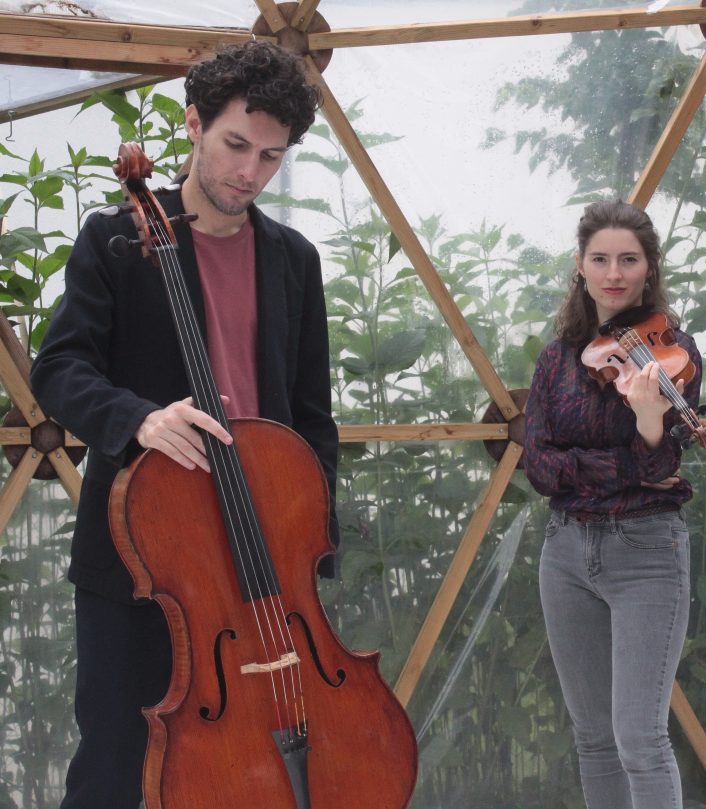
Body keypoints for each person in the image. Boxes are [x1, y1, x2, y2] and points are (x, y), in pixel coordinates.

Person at [30, 41, 339, 809]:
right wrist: (138, 418)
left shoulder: (294, 259)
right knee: (113, 767)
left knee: (254, 770)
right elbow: (59, 368)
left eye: (271, 157)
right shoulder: (114, 239)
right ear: (194, 124)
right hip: (146, 555)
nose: (249, 171)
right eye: (235, 145)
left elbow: (312, 418)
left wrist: (307, 544)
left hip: (263, 561)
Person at [524, 200, 700, 809]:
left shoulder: (674, 353)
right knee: (594, 739)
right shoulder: (556, 359)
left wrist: (650, 421)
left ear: (650, 267)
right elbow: (540, 468)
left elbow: (662, 468)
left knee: (640, 739)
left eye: (629, 259)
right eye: (600, 259)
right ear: (581, 266)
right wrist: (626, 462)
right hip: (565, 552)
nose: (614, 273)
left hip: (646, 550)